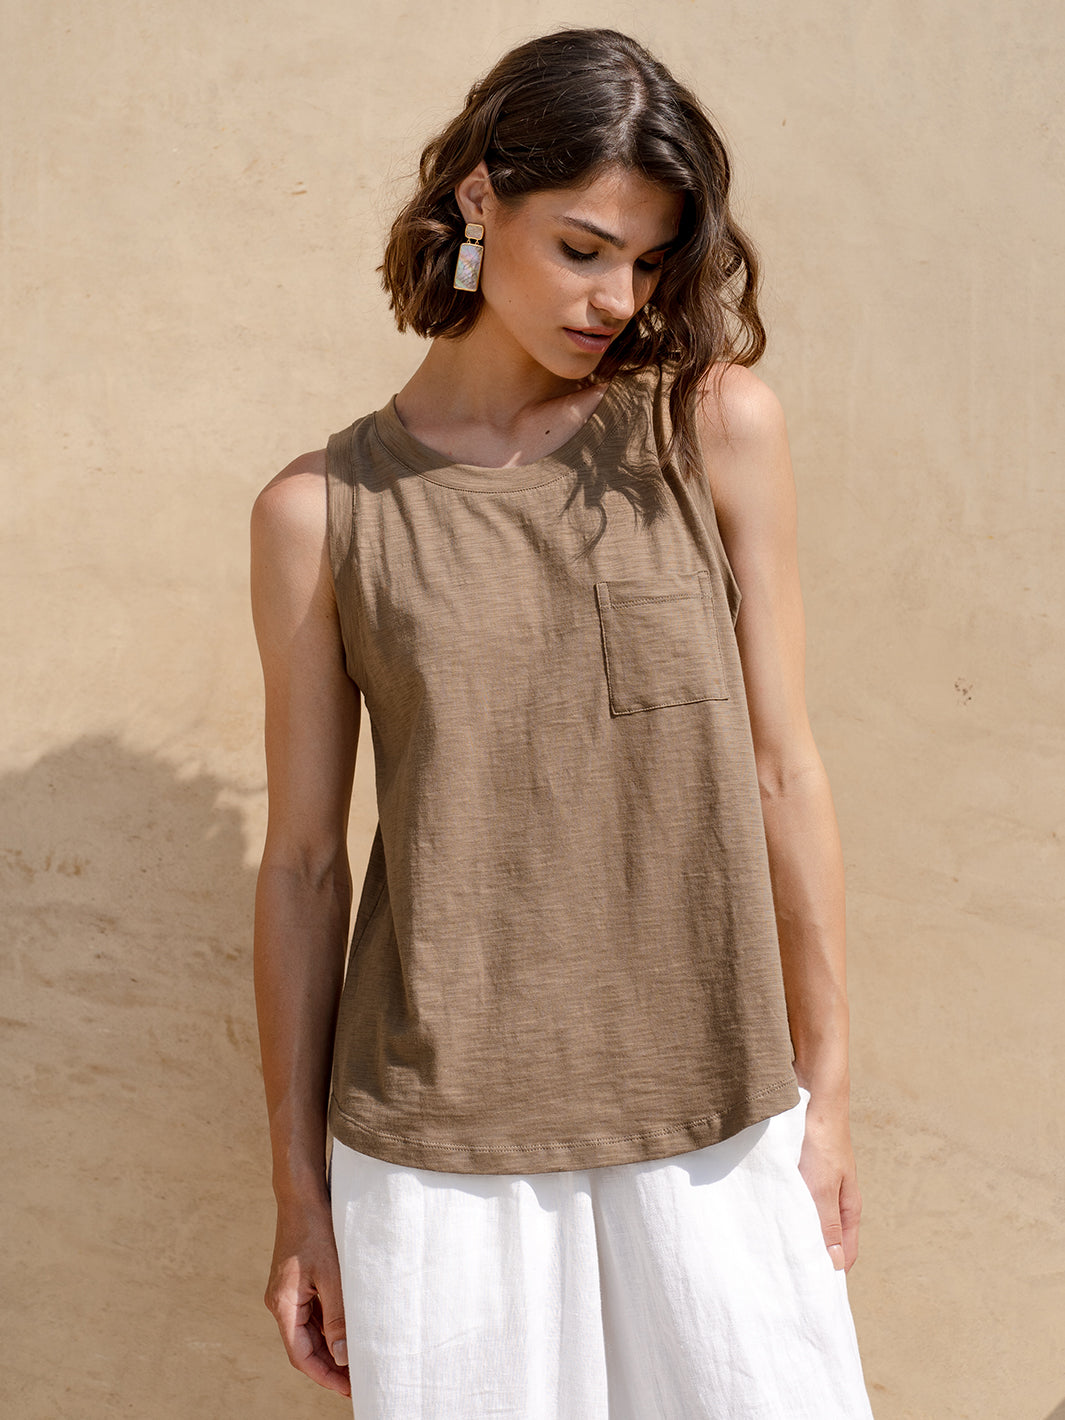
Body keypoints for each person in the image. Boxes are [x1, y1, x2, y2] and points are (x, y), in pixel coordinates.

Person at [250, 26, 874, 1419]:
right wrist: (298, 1196)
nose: (615, 298)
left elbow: (782, 772)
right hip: (435, 1148)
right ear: (480, 197)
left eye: (647, 262)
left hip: (714, 1107)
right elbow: (301, 866)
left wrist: (828, 1095)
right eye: (582, 248)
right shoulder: (321, 514)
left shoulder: (711, 432)